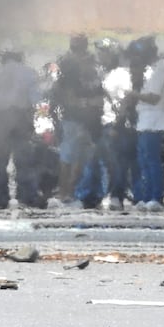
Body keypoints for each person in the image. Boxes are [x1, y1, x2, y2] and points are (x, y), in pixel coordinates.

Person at [74, 38, 135, 211]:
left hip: (114, 124)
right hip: (104, 122)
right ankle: (90, 196)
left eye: (104, 52)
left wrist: (118, 125)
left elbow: (126, 101)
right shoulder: (107, 73)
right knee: (97, 161)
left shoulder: (121, 74)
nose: (101, 56)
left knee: (113, 163)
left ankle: (114, 195)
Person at [50, 34, 104, 206]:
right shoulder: (88, 65)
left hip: (78, 118)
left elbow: (58, 91)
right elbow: (62, 91)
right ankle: (68, 193)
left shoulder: (69, 63)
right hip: (81, 118)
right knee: (76, 157)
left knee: (72, 157)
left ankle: (67, 193)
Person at [0, 49, 42, 208]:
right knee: (23, 160)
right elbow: (35, 97)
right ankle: (26, 196)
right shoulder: (28, 73)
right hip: (20, 118)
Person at [128, 37, 164, 212]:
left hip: (154, 121)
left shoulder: (161, 67)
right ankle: (145, 197)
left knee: (152, 161)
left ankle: (156, 197)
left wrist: (133, 95)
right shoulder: (150, 70)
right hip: (144, 121)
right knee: (143, 162)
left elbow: (154, 98)